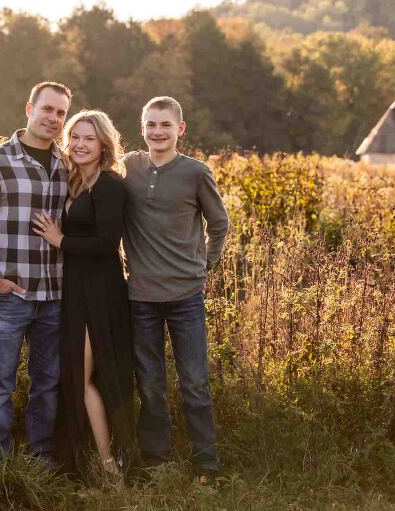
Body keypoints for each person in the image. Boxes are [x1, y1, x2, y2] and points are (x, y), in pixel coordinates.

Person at [123, 96, 229, 484]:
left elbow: (219, 224)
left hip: (186, 297)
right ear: (142, 129)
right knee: (149, 383)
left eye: (165, 125)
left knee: (195, 383)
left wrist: (206, 265)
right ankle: (156, 461)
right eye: (150, 124)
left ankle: (207, 465)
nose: (157, 131)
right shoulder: (130, 167)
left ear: (179, 129)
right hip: (141, 297)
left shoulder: (196, 173)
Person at [0, 82, 72, 466]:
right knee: (0, 384)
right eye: (47, 109)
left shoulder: (67, 165)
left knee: (47, 383)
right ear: (29, 108)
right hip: (8, 294)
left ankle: (40, 456)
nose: (53, 119)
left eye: (60, 113)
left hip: (55, 295)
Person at [32, 110, 135, 483]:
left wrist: (61, 240)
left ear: (103, 144)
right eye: (74, 137)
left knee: (89, 374)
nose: (79, 144)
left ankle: (110, 466)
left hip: (100, 290)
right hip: (73, 288)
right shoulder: (75, 182)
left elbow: (108, 244)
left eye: (88, 138)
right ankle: (90, 459)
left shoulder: (109, 185)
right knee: (75, 374)